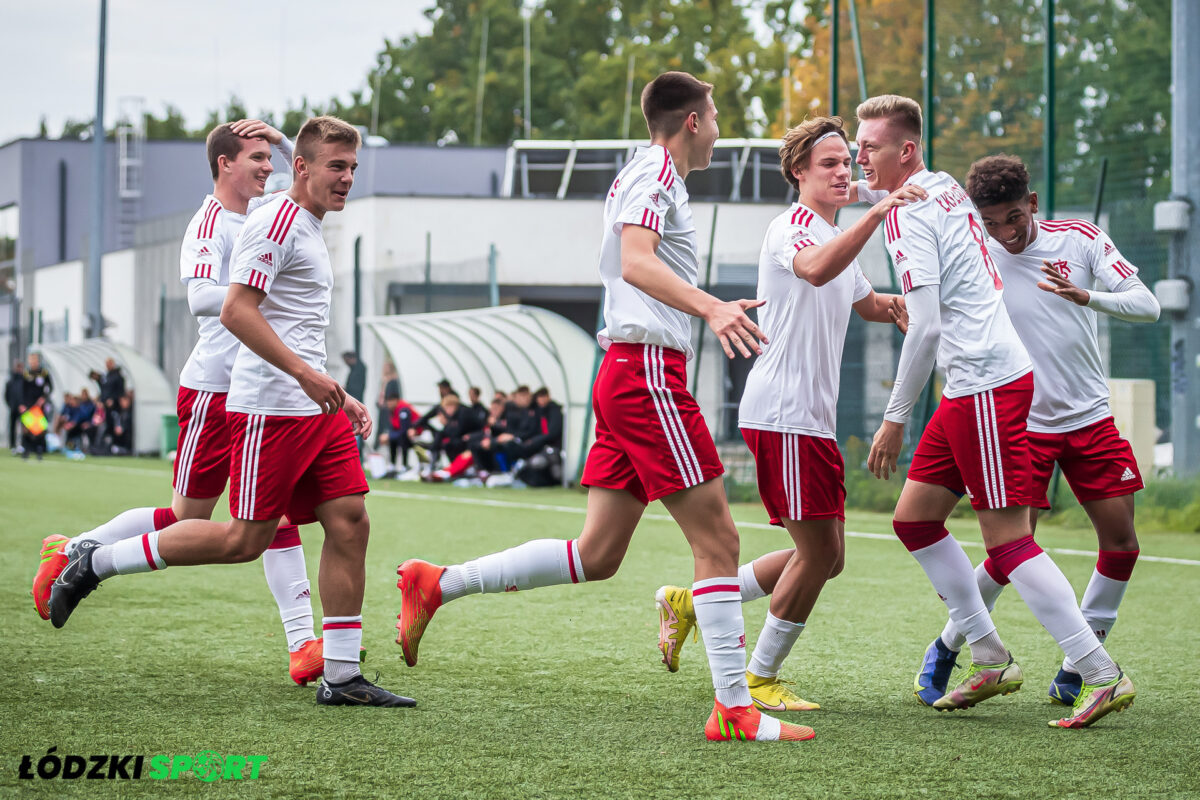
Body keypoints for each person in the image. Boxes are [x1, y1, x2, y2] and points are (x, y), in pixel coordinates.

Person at [395, 72, 813, 742]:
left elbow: (635, 262)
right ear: (693, 122)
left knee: (598, 553)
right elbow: (636, 261)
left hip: (629, 370)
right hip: (647, 372)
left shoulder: (655, 177)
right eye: (715, 115)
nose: (719, 129)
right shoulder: (653, 173)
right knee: (719, 542)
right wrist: (709, 307)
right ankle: (734, 708)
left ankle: (436, 583)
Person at [36, 119, 361, 694]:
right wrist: (257, 285)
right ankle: (81, 551)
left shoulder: (271, 213)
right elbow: (211, 299)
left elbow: (307, 175)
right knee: (214, 526)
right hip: (221, 386)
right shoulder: (221, 222)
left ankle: (313, 649)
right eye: (256, 157)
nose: (267, 166)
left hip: (279, 388)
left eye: (272, 157)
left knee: (320, 519)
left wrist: (289, 143)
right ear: (223, 165)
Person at [854, 95, 1133, 728]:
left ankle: (1098, 672)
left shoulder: (903, 215)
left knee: (1008, 542)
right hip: (972, 385)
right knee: (915, 520)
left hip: (985, 384)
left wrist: (895, 415)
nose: (858, 157)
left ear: (906, 151)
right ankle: (988, 653)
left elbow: (923, 329)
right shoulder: (943, 186)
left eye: (869, 147)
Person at [654, 117, 924, 711]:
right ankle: (758, 678)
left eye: (846, 162)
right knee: (820, 554)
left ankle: (692, 604)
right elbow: (814, 269)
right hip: (783, 414)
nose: (842, 171)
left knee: (828, 556)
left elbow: (866, 302)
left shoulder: (834, 233)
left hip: (807, 419)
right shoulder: (794, 227)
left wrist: (902, 305)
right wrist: (878, 214)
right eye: (828, 163)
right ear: (798, 172)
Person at [911, 154, 1158, 711]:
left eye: (1014, 218)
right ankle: (952, 644)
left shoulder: (1080, 239)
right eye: (993, 222)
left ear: (1034, 205)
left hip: (1090, 417)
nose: (1005, 232)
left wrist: (1086, 296)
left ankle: (1079, 664)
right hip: (1020, 423)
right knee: (1009, 548)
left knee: (1122, 544)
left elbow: (1149, 306)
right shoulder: (975, 254)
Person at [8, 359, 26, 451]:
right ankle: (12, 445)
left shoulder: (25, 380)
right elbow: (6, 394)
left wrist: (24, 405)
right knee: (12, 427)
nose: (19, 369)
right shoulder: (10, 381)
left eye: (20, 367)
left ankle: (23, 444)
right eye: (17, 367)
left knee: (23, 427)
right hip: (13, 407)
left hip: (23, 409)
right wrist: (10, 404)